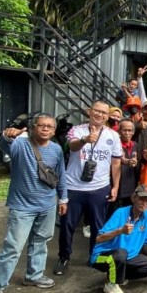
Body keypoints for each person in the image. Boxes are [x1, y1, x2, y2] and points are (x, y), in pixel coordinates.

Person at [0, 115, 67, 293]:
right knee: (13, 247)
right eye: (41, 125)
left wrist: (63, 198)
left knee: (41, 241)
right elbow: (4, 143)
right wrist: (7, 135)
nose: (45, 129)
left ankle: (34, 275)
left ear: (54, 131)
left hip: (47, 205)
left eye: (49, 126)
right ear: (33, 128)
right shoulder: (20, 145)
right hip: (22, 207)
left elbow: (61, 175)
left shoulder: (56, 149)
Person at [55, 101, 122, 276]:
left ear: (108, 116)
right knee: (67, 225)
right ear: (89, 112)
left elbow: (116, 163)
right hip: (73, 187)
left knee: (97, 226)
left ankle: (94, 256)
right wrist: (85, 140)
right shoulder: (77, 130)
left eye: (104, 113)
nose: (100, 115)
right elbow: (72, 146)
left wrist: (115, 186)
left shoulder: (113, 135)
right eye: (97, 111)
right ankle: (64, 257)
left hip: (99, 187)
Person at [91, 185, 147, 293]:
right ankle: (110, 284)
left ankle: (120, 276)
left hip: (129, 257)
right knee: (121, 253)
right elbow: (98, 239)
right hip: (103, 256)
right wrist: (120, 231)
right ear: (133, 198)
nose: (144, 202)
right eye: (141, 199)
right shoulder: (120, 213)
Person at [111, 119, 139, 216]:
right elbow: (120, 160)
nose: (127, 133)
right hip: (117, 187)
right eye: (124, 130)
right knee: (114, 215)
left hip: (131, 187)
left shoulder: (135, 145)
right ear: (119, 131)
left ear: (133, 132)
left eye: (129, 130)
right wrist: (127, 161)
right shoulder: (114, 145)